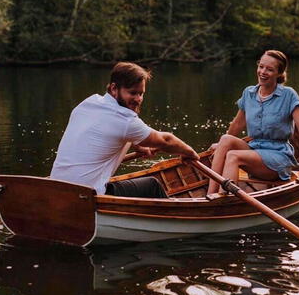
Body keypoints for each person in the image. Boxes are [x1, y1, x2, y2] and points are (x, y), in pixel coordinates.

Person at [50, 62, 200, 198]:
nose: (138, 99)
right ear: (114, 88)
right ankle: (172, 225)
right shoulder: (125, 121)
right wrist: (190, 153)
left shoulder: (88, 103)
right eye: (133, 93)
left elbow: (111, 133)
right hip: (85, 198)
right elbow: (166, 140)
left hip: (57, 189)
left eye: (141, 93)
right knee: (152, 185)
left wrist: (139, 146)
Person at [207, 50, 299, 195]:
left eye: (269, 69)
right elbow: (237, 125)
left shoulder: (288, 95)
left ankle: (222, 200)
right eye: (261, 66)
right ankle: (210, 195)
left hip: (277, 157)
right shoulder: (249, 93)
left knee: (233, 155)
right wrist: (221, 147)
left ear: (279, 73)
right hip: (254, 150)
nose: (263, 72)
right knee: (225, 140)